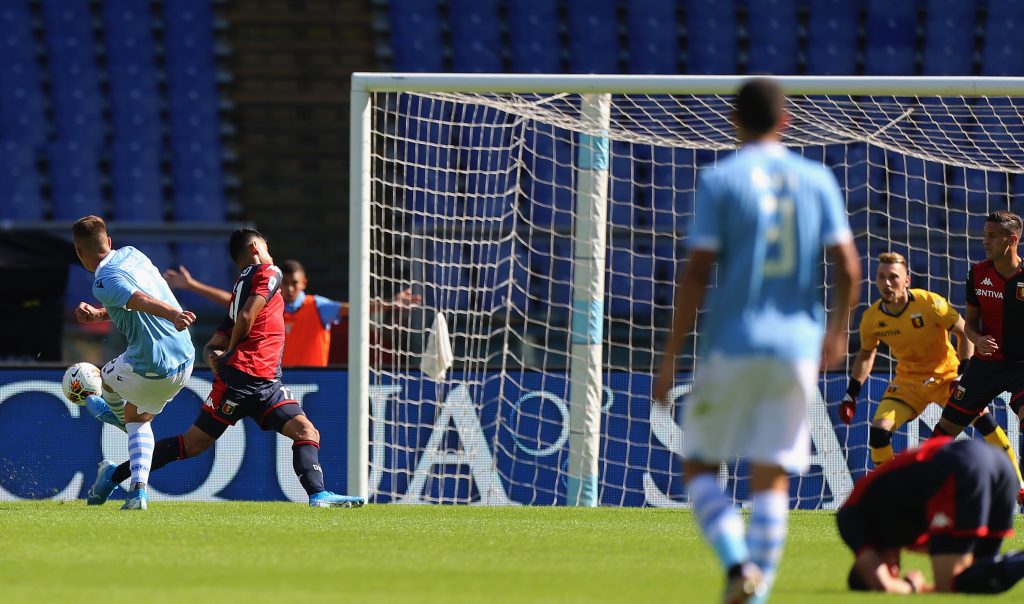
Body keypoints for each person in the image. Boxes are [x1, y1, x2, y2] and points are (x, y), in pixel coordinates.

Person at [651, 79, 861, 604]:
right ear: (785, 120)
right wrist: (836, 334)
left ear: (733, 120)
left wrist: (671, 354)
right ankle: (757, 591)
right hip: (796, 347)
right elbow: (849, 267)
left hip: (733, 341)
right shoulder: (817, 179)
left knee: (699, 466)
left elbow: (696, 273)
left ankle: (738, 564)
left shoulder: (721, 179)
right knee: (771, 480)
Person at [86, 228, 365, 508]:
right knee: (193, 444)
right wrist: (232, 352)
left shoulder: (242, 285)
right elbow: (244, 317)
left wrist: (215, 354)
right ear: (256, 247)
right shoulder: (269, 272)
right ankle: (115, 475)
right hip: (244, 378)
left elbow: (215, 340)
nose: (270, 251)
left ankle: (318, 495)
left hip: (267, 381)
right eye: (266, 246)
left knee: (306, 432)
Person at [840, 252, 1022, 481]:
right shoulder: (872, 319)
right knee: (878, 432)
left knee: (985, 422)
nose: (886, 283)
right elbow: (866, 355)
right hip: (908, 383)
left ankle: (1019, 484)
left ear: (906, 280)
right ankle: (892, 492)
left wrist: (963, 373)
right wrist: (851, 393)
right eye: (881, 277)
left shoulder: (930, 303)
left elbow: (964, 332)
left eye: (893, 277)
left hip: (947, 377)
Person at [72, 215, 196, 510]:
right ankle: (137, 491)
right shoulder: (133, 254)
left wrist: (173, 314)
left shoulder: (102, 282)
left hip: (151, 364)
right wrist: (100, 315)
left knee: (103, 379)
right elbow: (131, 299)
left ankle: (111, 416)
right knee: (139, 420)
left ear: (79, 252)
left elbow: (139, 299)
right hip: (186, 358)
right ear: (110, 242)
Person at [837, 437, 1024, 594]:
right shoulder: (900, 531)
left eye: (891, 570)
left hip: (960, 466)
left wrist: (914, 587)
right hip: (998, 464)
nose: (896, 569)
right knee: (979, 581)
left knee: (948, 583)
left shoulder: (851, 518)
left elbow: (883, 584)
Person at [929, 211, 1024, 504]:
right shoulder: (977, 273)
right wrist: (978, 339)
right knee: (944, 431)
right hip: (986, 365)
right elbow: (969, 324)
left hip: (1021, 366)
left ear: (1012, 240)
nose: (985, 241)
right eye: (984, 235)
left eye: (992, 236)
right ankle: (924, 491)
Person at [163, 260, 419, 367]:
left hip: (314, 380)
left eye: (294, 284)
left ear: (303, 283)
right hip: (276, 379)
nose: (288, 288)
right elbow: (231, 300)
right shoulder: (268, 304)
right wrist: (192, 285)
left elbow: (356, 308)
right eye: (284, 283)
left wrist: (391, 304)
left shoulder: (317, 306)